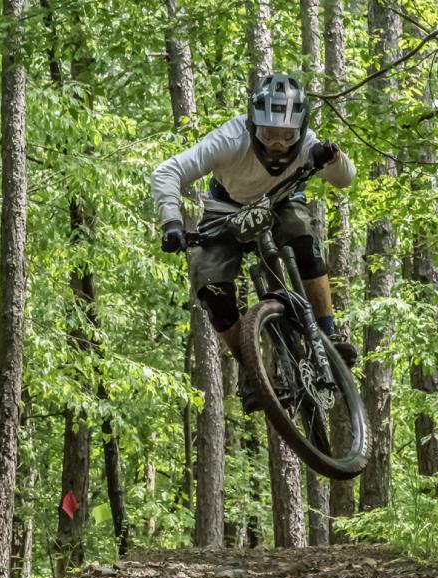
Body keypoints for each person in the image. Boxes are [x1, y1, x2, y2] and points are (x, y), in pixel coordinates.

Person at [151, 72, 357, 412]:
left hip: (281, 201)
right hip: (225, 209)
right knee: (211, 285)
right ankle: (253, 370)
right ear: (253, 124)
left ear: (300, 129)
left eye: (287, 135)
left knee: (301, 234)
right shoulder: (230, 138)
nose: (277, 143)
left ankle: (328, 333)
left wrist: (332, 158)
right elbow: (167, 171)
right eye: (268, 133)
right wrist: (171, 222)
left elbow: (345, 178)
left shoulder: (308, 144)